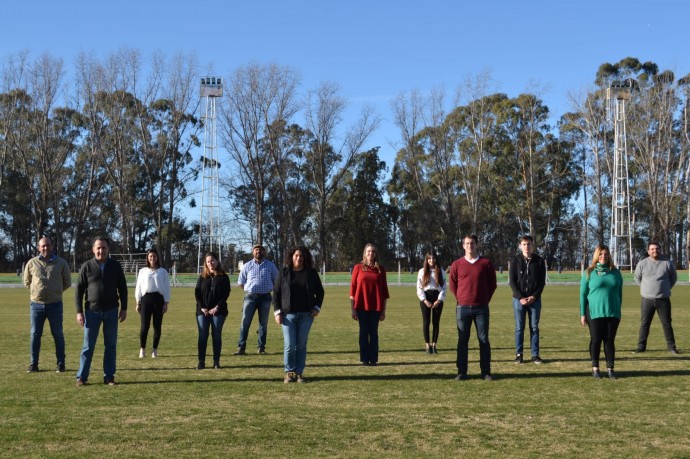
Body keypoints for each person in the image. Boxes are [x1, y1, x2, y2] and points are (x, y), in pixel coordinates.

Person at [75, 237, 128, 386]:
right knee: (88, 347)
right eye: (98, 248)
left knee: (110, 346)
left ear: (108, 249)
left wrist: (124, 308)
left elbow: (123, 288)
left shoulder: (115, 266)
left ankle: (109, 377)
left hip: (111, 311)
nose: (101, 250)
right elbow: (79, 290)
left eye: (104, 248)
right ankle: (81, 377)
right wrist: (79, 312)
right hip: (92, 312)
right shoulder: (86, 267)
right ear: (93, 249)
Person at [449, 235, 497, 381]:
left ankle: (486, 372)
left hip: (481, 309)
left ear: (477, 245)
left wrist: (484, 299)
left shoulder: (486, 263)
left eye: (472, 243)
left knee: (483, 340)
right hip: (462, 308)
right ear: (463, 245)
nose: (470, 245)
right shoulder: (457, 264)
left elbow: (492, 284)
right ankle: (462, 372)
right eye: (467, 243)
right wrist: (461, 298)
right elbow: (452, 284)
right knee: (462, 340)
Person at [273, 246, 324, 383]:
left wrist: (317, 308)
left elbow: (320, 292)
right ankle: (289, 372)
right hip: (287, 315)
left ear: (305, 258)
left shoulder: (311, 273)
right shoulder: (283, 272)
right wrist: (277, 312)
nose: (298, 258)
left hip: (306, 315)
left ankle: (299, 372)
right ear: (291, 257)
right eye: (296, 255)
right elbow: (276, 293)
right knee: (289, 344)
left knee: (301, 345)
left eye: (301, 256)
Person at [24, 236, 72, 373]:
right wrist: (37, 292)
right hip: (36, 305)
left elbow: (67, 282)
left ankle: (61, 364)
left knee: (58, 334)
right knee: (35, 334)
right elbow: (27, 282)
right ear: (39, 248)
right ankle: (33, 364)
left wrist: (55, 292)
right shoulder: (32, 263)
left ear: (52, 246)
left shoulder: (61, 263)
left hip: (55, 305)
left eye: (48, 245)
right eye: (43, 246)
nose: (46, 248)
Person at [579, 245, 623, 380]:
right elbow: (583, 294)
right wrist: (582, 313)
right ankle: (595, 368)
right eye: (601, 254)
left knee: (609, 341)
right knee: (596, 339)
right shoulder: (589, 272)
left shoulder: (615, 272)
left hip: (612, 312)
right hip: (594, 311)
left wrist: (618, 310)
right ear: (596, 256)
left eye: (606, 254)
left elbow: (619, 293)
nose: (603, 256)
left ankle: (610, 369)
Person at [634, 242, 679, 354]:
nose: (655, 251)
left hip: (663, 299)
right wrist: (646, 289)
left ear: (660, 250)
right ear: (648, 251)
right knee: (644, 324)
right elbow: (637, 278)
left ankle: (671, 347)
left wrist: (666, 288)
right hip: (647, 300)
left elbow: (673, 278)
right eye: (652, 249)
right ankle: (641, 347)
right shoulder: (642, 263)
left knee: (667, 324)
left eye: (657, 249)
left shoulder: (667, 263)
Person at [508, 235, 546, 364]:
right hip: (519, 300)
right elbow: (512, 282)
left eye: (528, 244)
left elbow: (541, 283)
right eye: (524, 244)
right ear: (520, 246)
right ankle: (519, 354)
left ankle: (535, 355)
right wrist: (520, 297)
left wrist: (533, 296)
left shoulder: (539, 261)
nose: (526, 246)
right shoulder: (514, 261)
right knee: (519, 327)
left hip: (535, 300)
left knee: (534, 327)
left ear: (532, 245)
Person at [350, 243, 389, 366]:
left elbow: (384, 291)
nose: (371, 254)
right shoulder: (358, 268)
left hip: (376, 307)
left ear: (376, 254)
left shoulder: (380, 269)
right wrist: (353, 309)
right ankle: (364, 359)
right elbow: (352, 290)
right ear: (365, 253)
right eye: (368, 251)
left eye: (373, 251)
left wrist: (383, 310)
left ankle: (373, 359)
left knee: (373, 333)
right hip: (361, 306)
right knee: (363, 332)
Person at [235, 244, 278, 355]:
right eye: (256, 249)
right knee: (245, 323)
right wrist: (250, 290)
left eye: (261, 250)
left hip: (265, 298)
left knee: (263, 324)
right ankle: (241, 347)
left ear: (264, 252)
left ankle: (261, 348)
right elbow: (240, 282)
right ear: (253, 252)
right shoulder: (247, 266)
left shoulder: (271, 266)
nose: (258, 251)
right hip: (250, 297)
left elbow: (277, 281)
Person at [195, 252, 231, 369]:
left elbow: (225, 294)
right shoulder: (202, 277)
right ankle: (201, 361)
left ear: (217, 261)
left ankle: (216, 361)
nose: (211, 263)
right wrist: (203, 307)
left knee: (216, 335)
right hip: (203, 311)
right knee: (203, 335)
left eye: (213, 261)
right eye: (208, 261)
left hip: (218, 311)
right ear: (205, 263)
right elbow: (197, 294)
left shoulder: (224, 277)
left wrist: (216, 308)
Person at [134, 248, 171, 359]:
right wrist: (138, 301)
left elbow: (166, 287)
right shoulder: (143, 271)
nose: (152, 258)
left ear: (157, 258)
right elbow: (139, 287)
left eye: (154, 256)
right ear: (148, 258)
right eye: (150, 256)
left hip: (158, 300)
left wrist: (166, 302)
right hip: (146, 299)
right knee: (144, 326)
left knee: (157, 326)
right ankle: (142, 349)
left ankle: (154, 350)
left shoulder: (163, 272)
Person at [416, 252, 447, 354]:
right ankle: (427, 345)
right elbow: (419, 288)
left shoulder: (441, 271)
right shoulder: (422, 271)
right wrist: (424, 300)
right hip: (426, 297)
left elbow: (444, 288)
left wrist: (439, 300)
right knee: (426, 322)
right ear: (426, 260)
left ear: (436, 259)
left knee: (436, 322)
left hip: (437, 297)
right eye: (429, 258)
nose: (431, 260)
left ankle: (434, 345)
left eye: (433, 258)